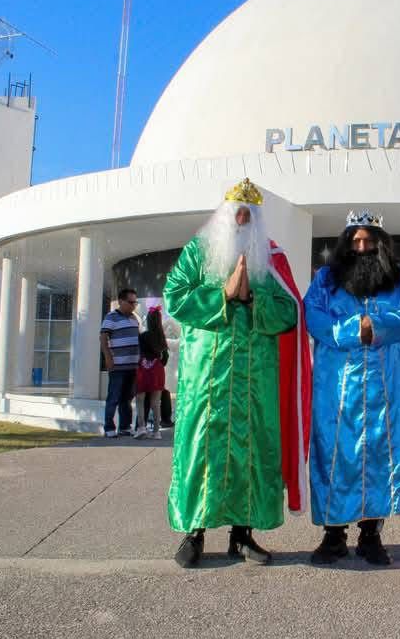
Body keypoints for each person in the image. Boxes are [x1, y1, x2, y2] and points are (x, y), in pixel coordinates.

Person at [164, 178, 311, 568]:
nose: (242, 219)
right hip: (206, 378)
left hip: (255, 379)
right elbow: (174, 298)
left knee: (251, 452)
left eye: (249, 215)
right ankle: (193, 533)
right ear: (223, 215)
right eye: (236, 213)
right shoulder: (198, 252)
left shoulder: (270, 258)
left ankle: (243, 535)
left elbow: (290, 311)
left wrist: (252, 297)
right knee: (201, 450)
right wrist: (224, 296)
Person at [304, 210, 400, 566]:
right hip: (337, 387)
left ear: (380, 243)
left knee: (382, 456)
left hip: (388, 387)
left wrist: (379, 325)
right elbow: (314, 317)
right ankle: (333, 535)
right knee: (335, 457)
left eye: (369, 240)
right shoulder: (326, 279)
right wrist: (356, 329)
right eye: (355, 241)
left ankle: (371, 534)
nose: (362, 247)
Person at [100, 289, 140, 437]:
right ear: (121, 301)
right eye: (130, 302)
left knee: (127, 398)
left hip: (133, 366)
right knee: (114, 397)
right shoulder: (111, 317)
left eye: (135, 302)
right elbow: (103, 338)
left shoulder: (134, 319)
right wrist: (108, 357)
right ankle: (109, 428)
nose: (133, 305)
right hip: (118, 366)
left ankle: (125, 427)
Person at [134, 305, 169, 439]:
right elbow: (165, 358)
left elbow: (139, 353)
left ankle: (141, 427)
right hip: (157, 370)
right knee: (156, 402)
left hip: (143, 368)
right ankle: (156, 431)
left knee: (140, 399)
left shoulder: (143, 336)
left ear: (148, 320)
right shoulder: (162, 338)